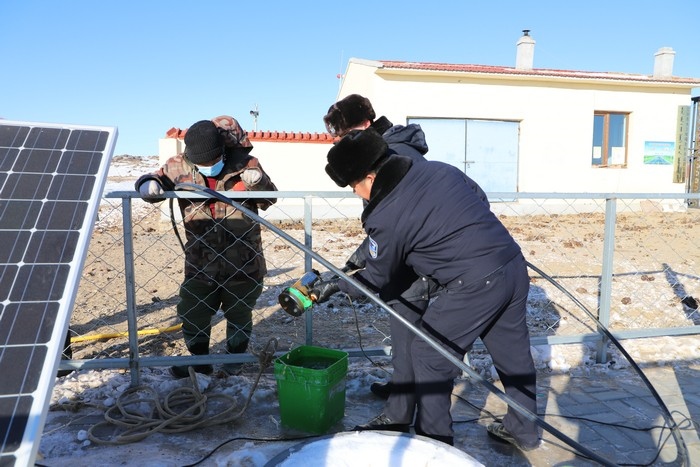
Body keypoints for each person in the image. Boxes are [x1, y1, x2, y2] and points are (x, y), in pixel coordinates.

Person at [312, 128, 539, 450]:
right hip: (512, 264)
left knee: (429, 355)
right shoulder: (439, 170)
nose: (355, 193)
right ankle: (523, 430)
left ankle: (435, 443)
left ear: (370, 177)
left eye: (354, 186)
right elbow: (479, 199)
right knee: (513, 355)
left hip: (473, 284)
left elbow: (377, 276)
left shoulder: (385, 213)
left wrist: (337, 286)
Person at [135, 116, 277, 378]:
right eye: (203, 164)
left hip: (244, 260)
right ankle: (200, 360)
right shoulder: (178, 166)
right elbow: (156, 178)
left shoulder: (245, 164)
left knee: (239, 313)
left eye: (213, 161)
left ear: (222, 150)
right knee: (193, 311)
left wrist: (257, 182)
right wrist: (147, 184)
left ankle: (234, 360)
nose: (209, 167)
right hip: (201, 261)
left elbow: (270, 198)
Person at [322, 94, 440, 408]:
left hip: (411, 256)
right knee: (403, 326)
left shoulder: (394, 153)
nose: (341, 144)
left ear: (365, 124)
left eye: (344, 136)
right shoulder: (378, 151)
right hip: (399, 248)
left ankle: (407, 399)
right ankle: (404, 386)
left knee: (407, 323)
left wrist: (362, 270)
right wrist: (361, 255)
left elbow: (399, 217)